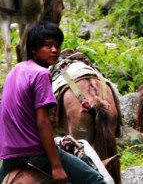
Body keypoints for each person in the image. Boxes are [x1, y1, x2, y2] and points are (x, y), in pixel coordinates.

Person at [0, 21, 106, 184]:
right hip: (33, 151)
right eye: (48, 45)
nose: (55, 50)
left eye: (57, 45)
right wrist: (56, 166)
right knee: (97, 181)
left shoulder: (17, 69)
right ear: (33, 49)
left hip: (9, 153)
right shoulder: (41, 74)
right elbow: (42, 121)